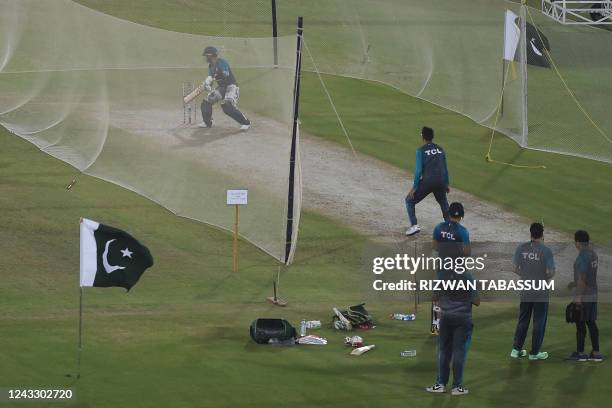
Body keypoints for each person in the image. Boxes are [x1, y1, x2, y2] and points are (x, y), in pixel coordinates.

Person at [426, 202, 479, 396]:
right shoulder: (462, 232)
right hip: (462, 316)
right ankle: (457, 386)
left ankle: (440, 383)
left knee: (437, 297)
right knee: (459, 352)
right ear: (462, 216)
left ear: (448, 214)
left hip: (442, 273)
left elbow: (434, 246)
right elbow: (467, 252)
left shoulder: (439, 228)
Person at [510, 222, 555, 360]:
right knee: (539, 321)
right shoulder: (546, 251)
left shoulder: (521, 248)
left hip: (526, 288)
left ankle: (516, 349)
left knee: (523, 319)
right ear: (542, 234)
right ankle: (534, 353)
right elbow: (550, 272)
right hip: (540, 289)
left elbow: (514, 268)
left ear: (530, 233)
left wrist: (525, 275)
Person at [405, 127, 450, 236]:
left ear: (422, 137)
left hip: (428, 181)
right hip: (440, 181)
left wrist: (415, 187)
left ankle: (414, 225)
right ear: (432, 137)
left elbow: (419, 170)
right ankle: (451, 227)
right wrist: (446, 183)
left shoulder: (420, 150)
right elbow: (445, 168)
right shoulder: (440, 149)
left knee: (409, 200)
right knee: (443, 202)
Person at [568, 230, 602, 362]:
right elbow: (588, 275)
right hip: (593, 293)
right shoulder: (593, 254)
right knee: (591, 322)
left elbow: (582, 279)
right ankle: (596, 352)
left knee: (580, 324)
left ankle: (581, 353)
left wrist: (578, 297)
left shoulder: (582, 256)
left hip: (584, 295)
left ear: (577, 242)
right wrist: (573, 283)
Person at [199, 46, 251, 131]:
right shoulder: (210, 66)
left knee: (228, 107)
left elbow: (226, 74)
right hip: (222, 88)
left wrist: (218, 74)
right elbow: (210, 78)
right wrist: (207, 84)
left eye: (206, 56)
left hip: (231, 86)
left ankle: (246, 123)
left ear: (210, 55)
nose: (205, 58)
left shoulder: (221, 62)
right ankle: (207, 122)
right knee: (206, 102)